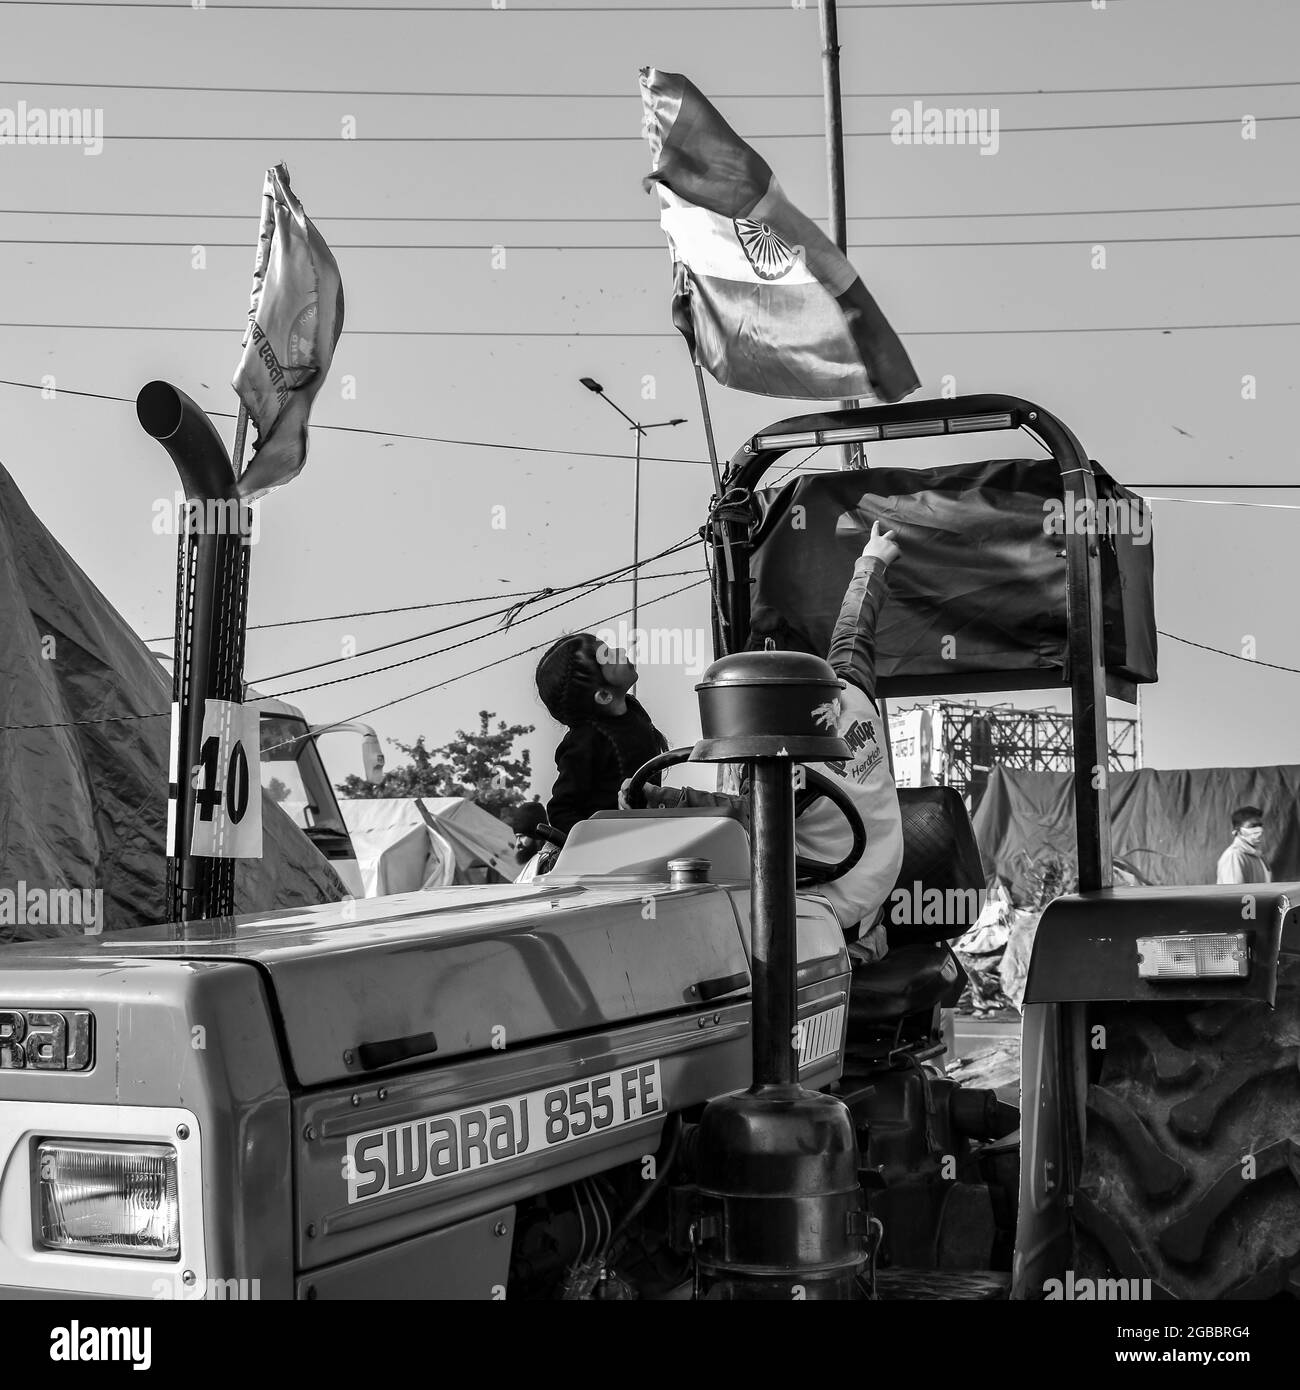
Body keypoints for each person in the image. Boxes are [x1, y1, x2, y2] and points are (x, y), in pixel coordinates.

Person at [630, 521, 905, 965]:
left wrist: (666, 799)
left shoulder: (781, 763)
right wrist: (871, 561)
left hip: (829, 925)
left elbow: (745, 817)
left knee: (693, 956)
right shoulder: (850, 690)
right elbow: (855, 630)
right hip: (868, 907)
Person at [535, 633, 669, 836]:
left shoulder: (633, 709)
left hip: (645, 830)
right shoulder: (584, 742)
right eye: (608, 656)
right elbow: (561, 810)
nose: (622, 652)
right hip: (613, 848)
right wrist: (595, 843)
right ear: (604, 695)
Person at [1216, 805, 1272, 884]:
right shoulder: (1234, 856)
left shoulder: (1256, 855)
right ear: (1238, 831)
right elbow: (1234, 893)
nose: (1259, 829)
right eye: (1253, 826)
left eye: (1260, 825)